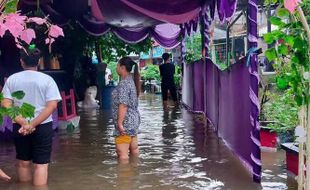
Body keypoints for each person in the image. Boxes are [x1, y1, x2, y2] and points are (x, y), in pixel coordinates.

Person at [1, 46, 61, 186]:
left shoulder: (11, 79)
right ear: (39, 61)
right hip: (43, 126)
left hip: (20, 126)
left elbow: (5, 104)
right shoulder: (48, 80)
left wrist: (23, 122)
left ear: (21, 61)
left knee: (23, 162)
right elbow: (51, 106)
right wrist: (32, 124)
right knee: (41, 165)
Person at [112, 57, 141, 163]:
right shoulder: (131, 81)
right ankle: (135, 174)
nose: (116, 67)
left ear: (122, 67)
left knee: (122, 154)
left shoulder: (124, 83)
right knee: (134, 150)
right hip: (133, 121)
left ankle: (124, 178)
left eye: (117, 65)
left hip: (125, 122)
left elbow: (123, 105)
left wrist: (119, 123)